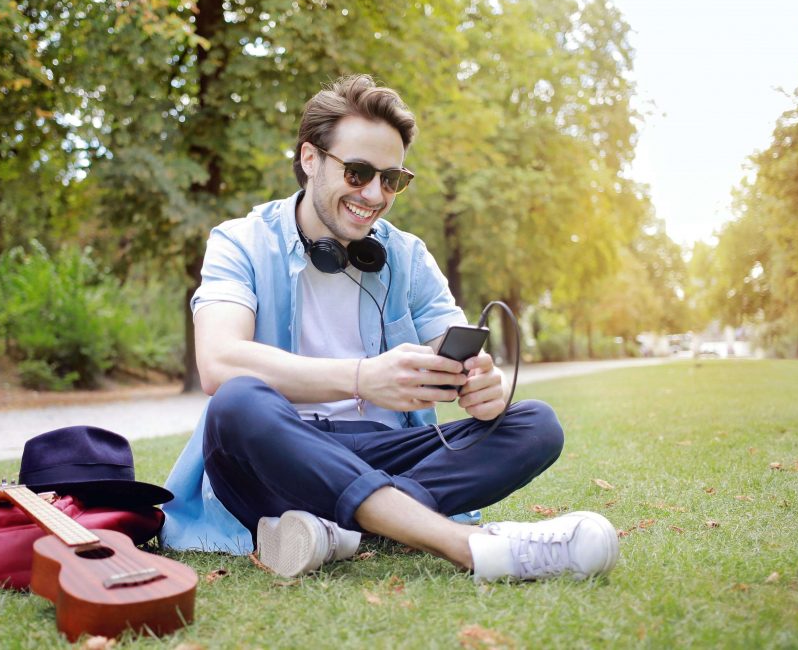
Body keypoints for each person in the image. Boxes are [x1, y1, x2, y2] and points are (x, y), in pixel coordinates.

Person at [160, 74, 619, 583]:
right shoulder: (240, 242)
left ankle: (338, 533)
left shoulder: (406, 255)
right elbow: (219, 362)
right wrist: (360, 377)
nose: (374, 194)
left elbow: (451, 341)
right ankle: (463, 545)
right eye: (357, 173)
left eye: (392, 179)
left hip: (379, 448)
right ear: (310, 159)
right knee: (237, 401)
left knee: (536, 425)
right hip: (273, 453)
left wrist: (479, 381)